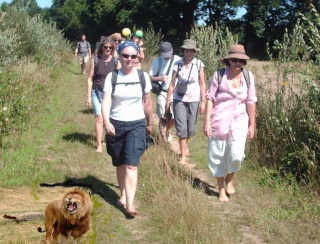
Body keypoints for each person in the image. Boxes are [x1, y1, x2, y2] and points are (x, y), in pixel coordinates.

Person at [101, 41, 152, 217]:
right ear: (120, 56)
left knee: (132, 164)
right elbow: (106, 101)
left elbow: (147, 103)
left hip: (136, 124)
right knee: (120, 161)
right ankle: (122, 194)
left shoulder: (143, 77)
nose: (129, 59)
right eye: (126, 55)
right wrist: (107, 122)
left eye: (133, 56)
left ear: (137, 56)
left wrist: (149, 122)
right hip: (116, 123)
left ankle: (130, 203)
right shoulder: (112, 77)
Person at [203, 44, 257, 202]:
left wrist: (252, 125)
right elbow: (210, 98)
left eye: (241, 60)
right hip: (219, 120)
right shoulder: (219, 75)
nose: (238, 63)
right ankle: (220, 189)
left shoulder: (248, 77)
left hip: (240, 121)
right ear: (229, 61)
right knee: (217, 155)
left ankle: (229, 178)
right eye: (234, 59)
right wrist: (207, 122)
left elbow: (251, 101)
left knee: (237, 155)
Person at [165, 39, 206, 164]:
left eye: (191, 51)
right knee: (182, 128)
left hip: (194, 99)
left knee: (191, 128)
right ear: (183, 51)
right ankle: (183, 156)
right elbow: (172, 83)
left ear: (194, 51)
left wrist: (203, 101)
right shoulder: (177, 64)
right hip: (179, 99)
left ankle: (184, 144)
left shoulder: (199, 64)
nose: (189, 53)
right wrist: (168, 100)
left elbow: (203, 83)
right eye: (187, 50)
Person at [86, 37, 116, 153]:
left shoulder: (115, 61)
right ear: (102, 47)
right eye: (105, 47)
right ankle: (99, 145)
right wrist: (88, 96)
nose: (108, 49)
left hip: (109, 95)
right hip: (97, 92)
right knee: (99, 118)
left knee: (108, 118)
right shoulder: (96, 61)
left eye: (110, 47)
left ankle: (106, 139)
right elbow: (89, 79)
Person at [149, 42, 180, 141]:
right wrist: (160, 78)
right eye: (165, 54)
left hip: (176, 92)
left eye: (168, 54)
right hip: (162, 91)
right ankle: (163, 140)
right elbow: (150, 77)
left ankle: (167, 130)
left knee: (175, 117)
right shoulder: (157, 61)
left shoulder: (178, 60)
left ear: (172, 51)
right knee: (163, 116)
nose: (167, 57)